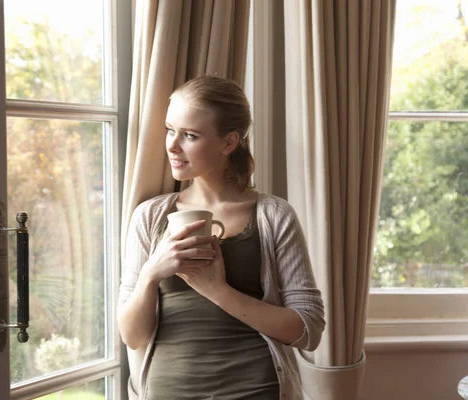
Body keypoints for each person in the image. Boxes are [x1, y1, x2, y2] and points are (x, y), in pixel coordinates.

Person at [118, 75, 325, 400]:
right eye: (170, 130)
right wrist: (151, 272)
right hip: (168, 390)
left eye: (190, 135)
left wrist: (217, 290)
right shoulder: (149, 216)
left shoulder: (274, 216)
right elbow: (132, 336)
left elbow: (308, 329)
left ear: (229, 143)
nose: (172, 145)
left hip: (256, 389)